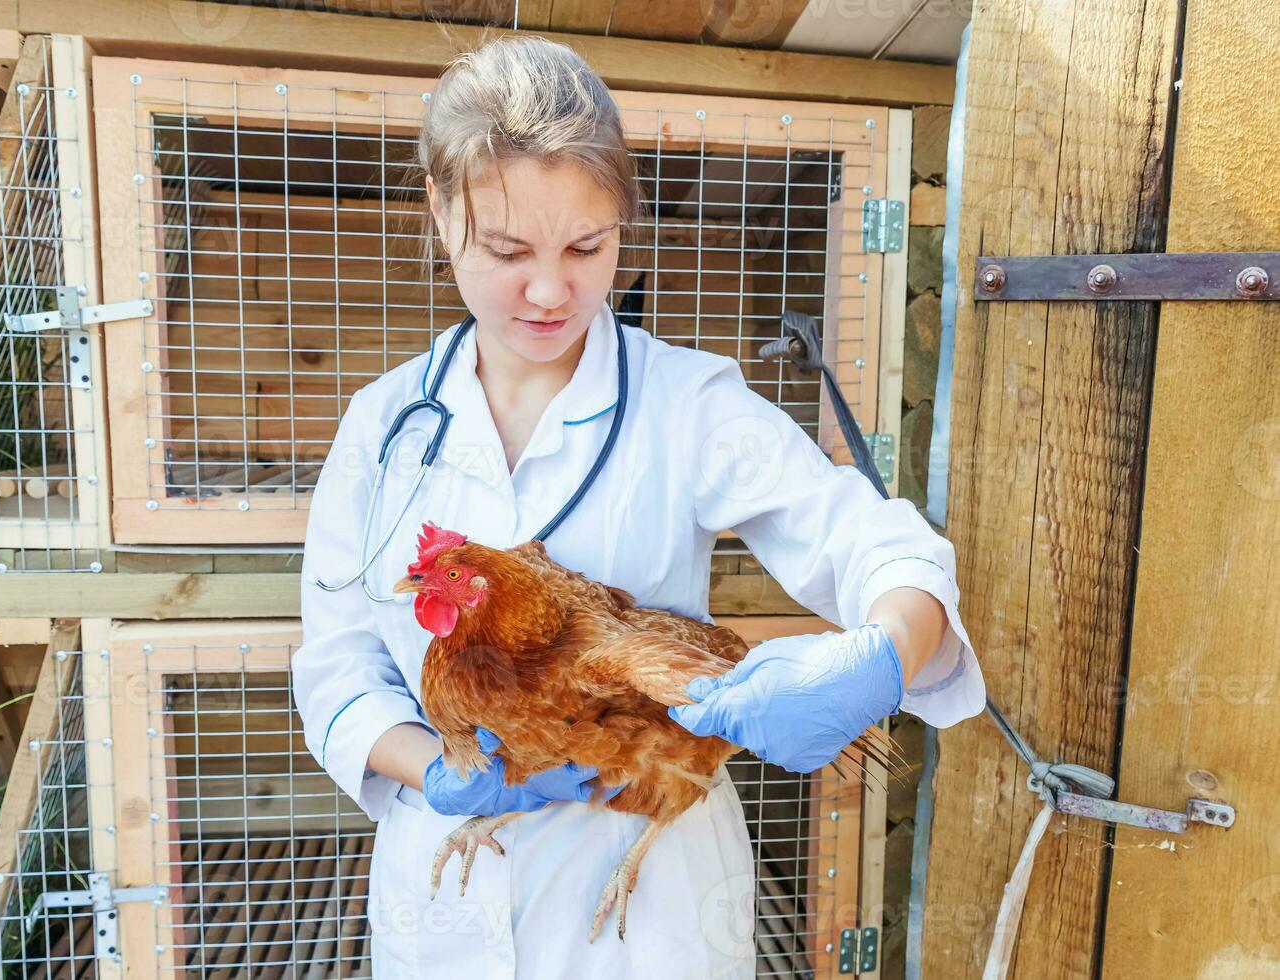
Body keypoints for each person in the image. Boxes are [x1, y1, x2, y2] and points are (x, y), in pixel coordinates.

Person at [292, 35, 984, 979]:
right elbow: (337, 663)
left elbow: (869, 541)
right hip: (450, 905)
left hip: (647, 905)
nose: (550, 290)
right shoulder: (380, 426)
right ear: (440, 211)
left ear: (624, 220)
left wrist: (877, 657)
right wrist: (438, 772)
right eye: (506, 249)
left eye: (588, 246)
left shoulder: (688, 402)